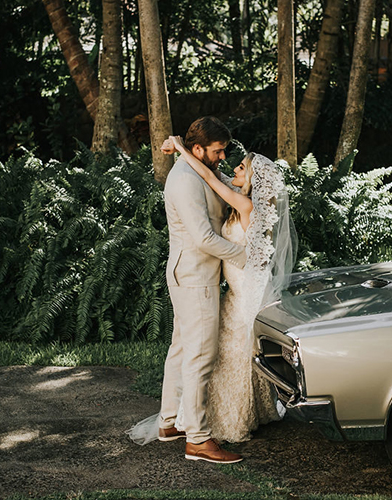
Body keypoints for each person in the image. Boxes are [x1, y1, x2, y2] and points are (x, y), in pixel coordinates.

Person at [126, 116, 247, 464]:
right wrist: (246, 256)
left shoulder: (197, 167)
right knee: (200, 356)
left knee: (181, 350)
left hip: (191, 275)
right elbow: (204, 238)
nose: (222, 157)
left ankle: (169, 422)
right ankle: (198, 438)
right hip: (195, 277)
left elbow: (228, 187)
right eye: (218, 151)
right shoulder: (184, 181)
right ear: (198, 149)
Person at [166, 134, 297, 444]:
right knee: (231, 352)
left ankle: (232, 418)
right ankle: (236, 411)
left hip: (247, 290)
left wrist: (183, 150)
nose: (233, 169)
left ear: (251, 178)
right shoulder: (245, 201)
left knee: (235, 353)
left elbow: (211, 177)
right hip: (238, 289)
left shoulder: (247, 203)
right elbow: (218, 175)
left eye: (240, 168)